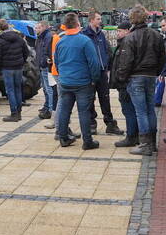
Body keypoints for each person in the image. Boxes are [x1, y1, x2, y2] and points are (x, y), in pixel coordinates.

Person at [112, 5, 165, 155]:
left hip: (136, 77)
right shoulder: (156, 35)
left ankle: (145, 145)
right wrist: (156, 72)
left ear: (132, 20)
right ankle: (151, 143)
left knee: (141, 111)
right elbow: (162, 58)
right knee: (150, 110)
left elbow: (126, 62)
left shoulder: (130, 38)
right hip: (150, 76)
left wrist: (122, 78)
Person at [53, 12, 101, 149]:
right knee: (83, 112)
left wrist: (63, 76)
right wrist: (94, 79)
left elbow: (56, 62)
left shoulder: (60, 42)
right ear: (78, 24)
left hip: (65, 82)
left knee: (64, 111)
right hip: (83, 83)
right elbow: (94, 63)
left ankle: (63, 138)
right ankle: (87, 141)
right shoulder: (85, 41)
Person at [82, 11, 123, 135]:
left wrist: (108, 67)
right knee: (90, 99)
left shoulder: (101, 34)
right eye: (98, 19)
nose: (100, 20)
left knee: (105, 98)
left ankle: (110, 123)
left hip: (102, 72)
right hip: (89, 73)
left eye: (100, 18)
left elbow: (107, 50)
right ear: (91, 20)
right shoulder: (84, 35)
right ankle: (91, 124)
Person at [0, 18, 30, 121]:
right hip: (18, 67)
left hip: (7, 68)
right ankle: (18, 112)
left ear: (0, 28)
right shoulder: (19, 38)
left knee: (10, 90)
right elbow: (26, 51)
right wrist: (21, 61)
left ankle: (14, 113)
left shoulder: (0, 40)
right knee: (18, 89)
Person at [111, 23, 139, 149]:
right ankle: (135, 135)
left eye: (120, 31)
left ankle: (131, 136)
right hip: (124, 82)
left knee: (129, 111)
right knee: (129, 110)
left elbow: (125, 64)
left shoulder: (126, 43)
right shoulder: (124, 42)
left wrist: (120, 78)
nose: (118, 33)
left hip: (125, 83)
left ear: (127, 31)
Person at [34, 20, 56, 119]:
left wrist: (43, 63)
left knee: (49, 89)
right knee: (45, 88)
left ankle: (50, 109)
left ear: (43, 27)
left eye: (38, 27)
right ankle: (47, 106)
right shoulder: (40, 37)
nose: (35, 29)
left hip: (45, 67)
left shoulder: (47, 37)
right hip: (42, 66)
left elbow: (45, 51)